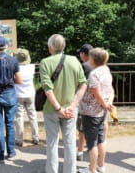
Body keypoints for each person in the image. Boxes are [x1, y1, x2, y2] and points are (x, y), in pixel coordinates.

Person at [40, 34, 87, 173]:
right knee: (70, 143)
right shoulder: (74, 60)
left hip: (51, 109)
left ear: (50, 47)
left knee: (52, 143)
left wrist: (58, 108)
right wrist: (72, 106)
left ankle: (52, 171)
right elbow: (83, 85)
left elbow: (48, 90)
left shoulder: (45, 62)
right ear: (64, 46)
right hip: (71, 110)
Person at [78, 48, 114, 173]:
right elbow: (109, 89)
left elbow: (96, 93)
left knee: (91, 142)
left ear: (93, 59)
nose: (88, 59)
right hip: (102, 112)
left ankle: (92, 169)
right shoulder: (106, 69)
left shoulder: (94, 74)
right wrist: (107, 104)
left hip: (91, 112)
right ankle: (101, 165)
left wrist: (104, 104)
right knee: (101, 139)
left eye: (90, 57)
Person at [13, 48, 39, 146]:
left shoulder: (15, 68)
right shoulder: (31, 67)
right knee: (32, 115)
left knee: (19, 117)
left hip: (18, 94)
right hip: (30, 94)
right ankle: (36, 137)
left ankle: (19, 139)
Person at [76, 44, 93, 161]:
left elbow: (79, 82)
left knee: (82, 127)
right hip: (97, 100)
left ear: (83, 54)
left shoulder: (84, 66)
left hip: (85, 100)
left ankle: (80, 151)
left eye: (80, 53)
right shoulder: (99, 65)